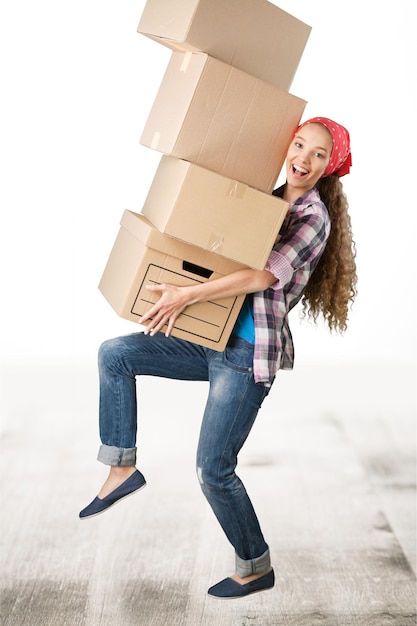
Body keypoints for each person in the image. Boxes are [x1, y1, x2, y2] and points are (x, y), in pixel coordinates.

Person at [79, 117, 357, 599]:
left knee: (214, 468)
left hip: (247, 356)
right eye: (299, 145)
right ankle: (122, 466)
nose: (304, 159)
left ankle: (255, 565)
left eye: (318, 155)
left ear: (328, 168)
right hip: (212, 337)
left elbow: (260, 277)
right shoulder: (262, 202)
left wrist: (186, 294)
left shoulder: (314, 219)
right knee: (116, 354)